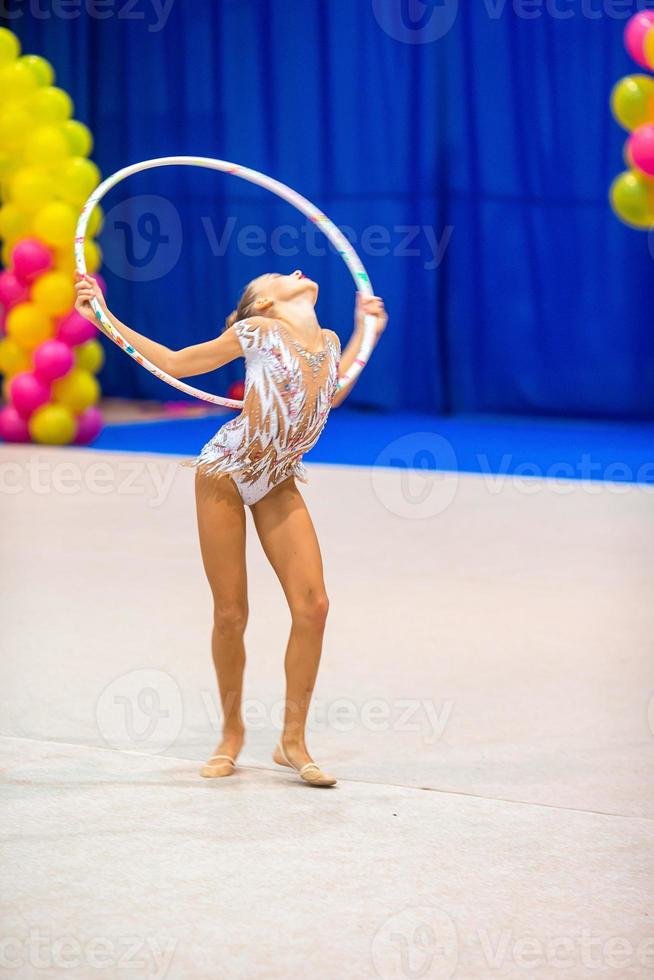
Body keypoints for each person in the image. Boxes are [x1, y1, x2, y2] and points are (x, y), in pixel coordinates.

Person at [74, 269, 387, 787]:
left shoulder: (329, 342)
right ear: (263, 302)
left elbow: (330, 395)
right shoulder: (258, 333)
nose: (298, 272)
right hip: (226, 469)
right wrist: (103, 319)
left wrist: (363, 333)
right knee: (231, 613)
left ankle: (292, 742)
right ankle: (231, 733)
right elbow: (175, 363)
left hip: (277, 474)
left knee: (314, 607)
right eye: (282, 275)